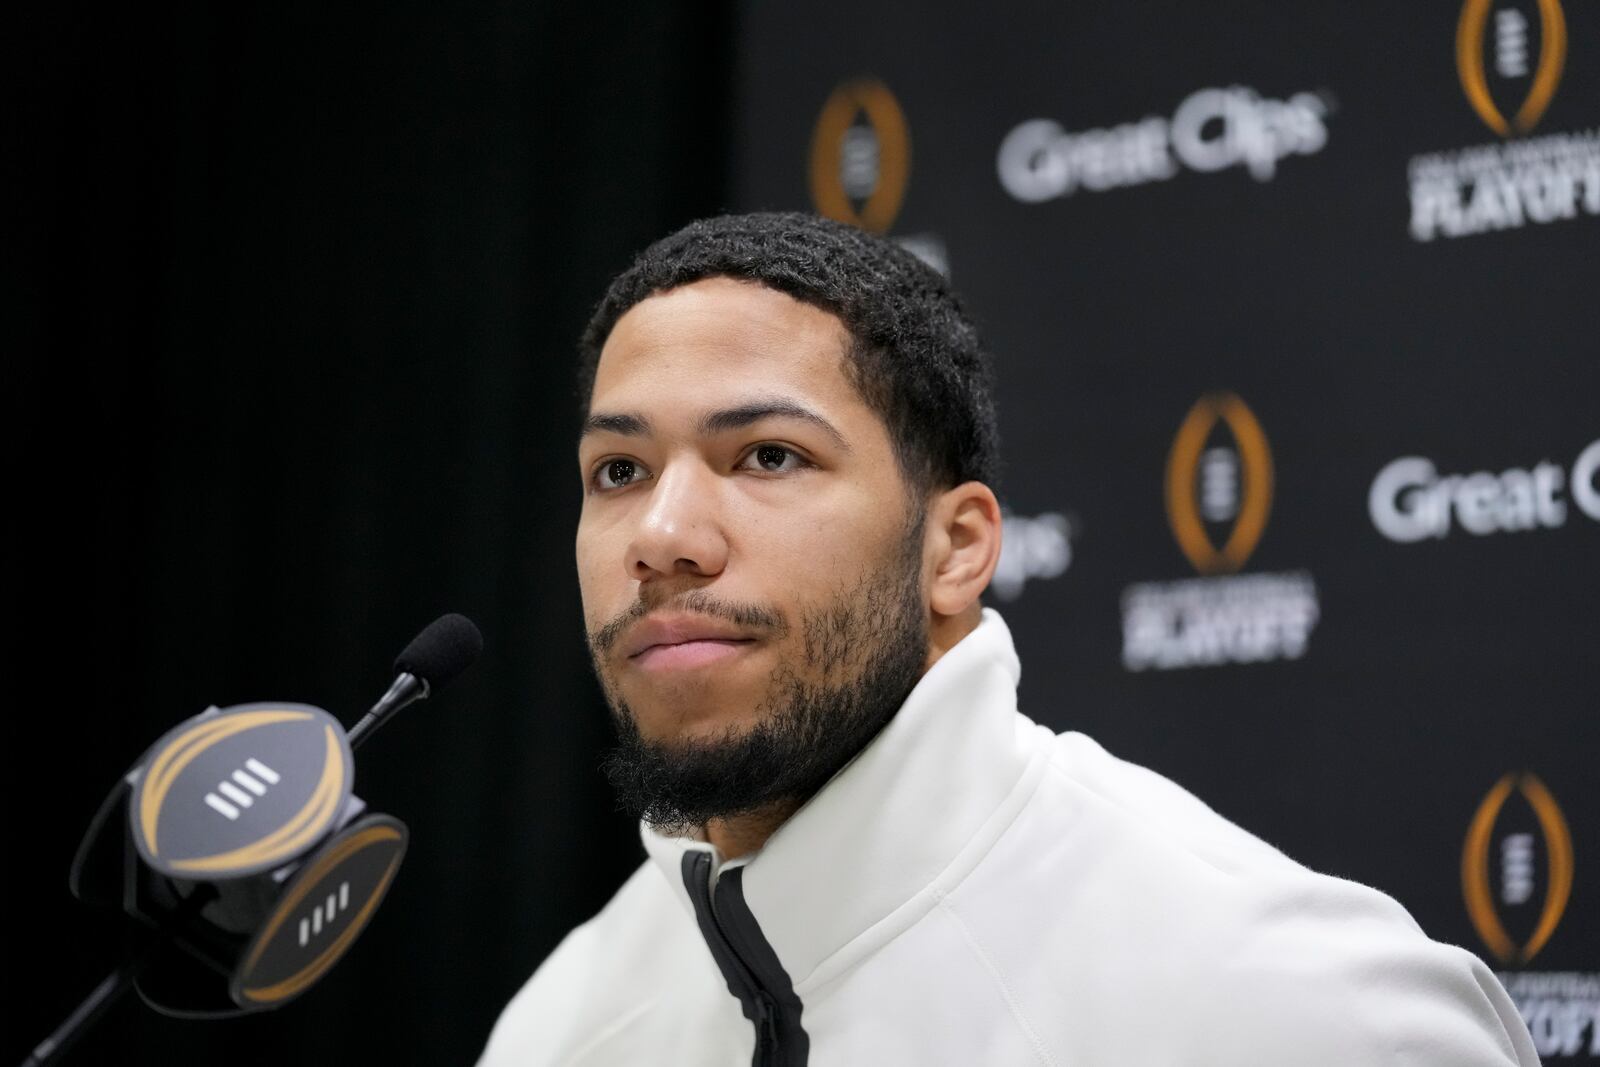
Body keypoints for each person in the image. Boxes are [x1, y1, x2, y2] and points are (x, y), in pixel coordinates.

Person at [479, 212, 1538, 1066]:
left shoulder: (1294, 1010)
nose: (663, 537)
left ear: (956, 547)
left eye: (765, 456)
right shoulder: (559, 1026)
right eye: (619, 471)